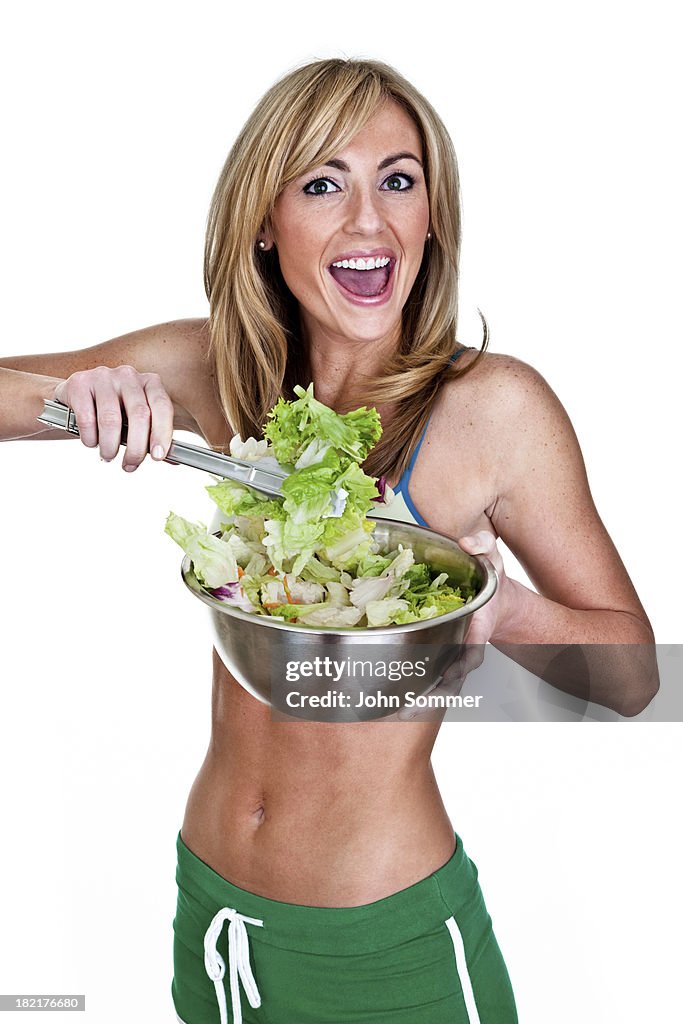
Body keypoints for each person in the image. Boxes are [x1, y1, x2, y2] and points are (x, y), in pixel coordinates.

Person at [0, 57, 656, 1024]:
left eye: (399, 180)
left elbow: (636, 677)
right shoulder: (212, 365)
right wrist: (70, 399)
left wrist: (497, 608)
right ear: (264, 223)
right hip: (213, 914)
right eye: (321, 184)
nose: (368, 221)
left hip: (384, 947)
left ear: (433, 215)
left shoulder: (494, 411)